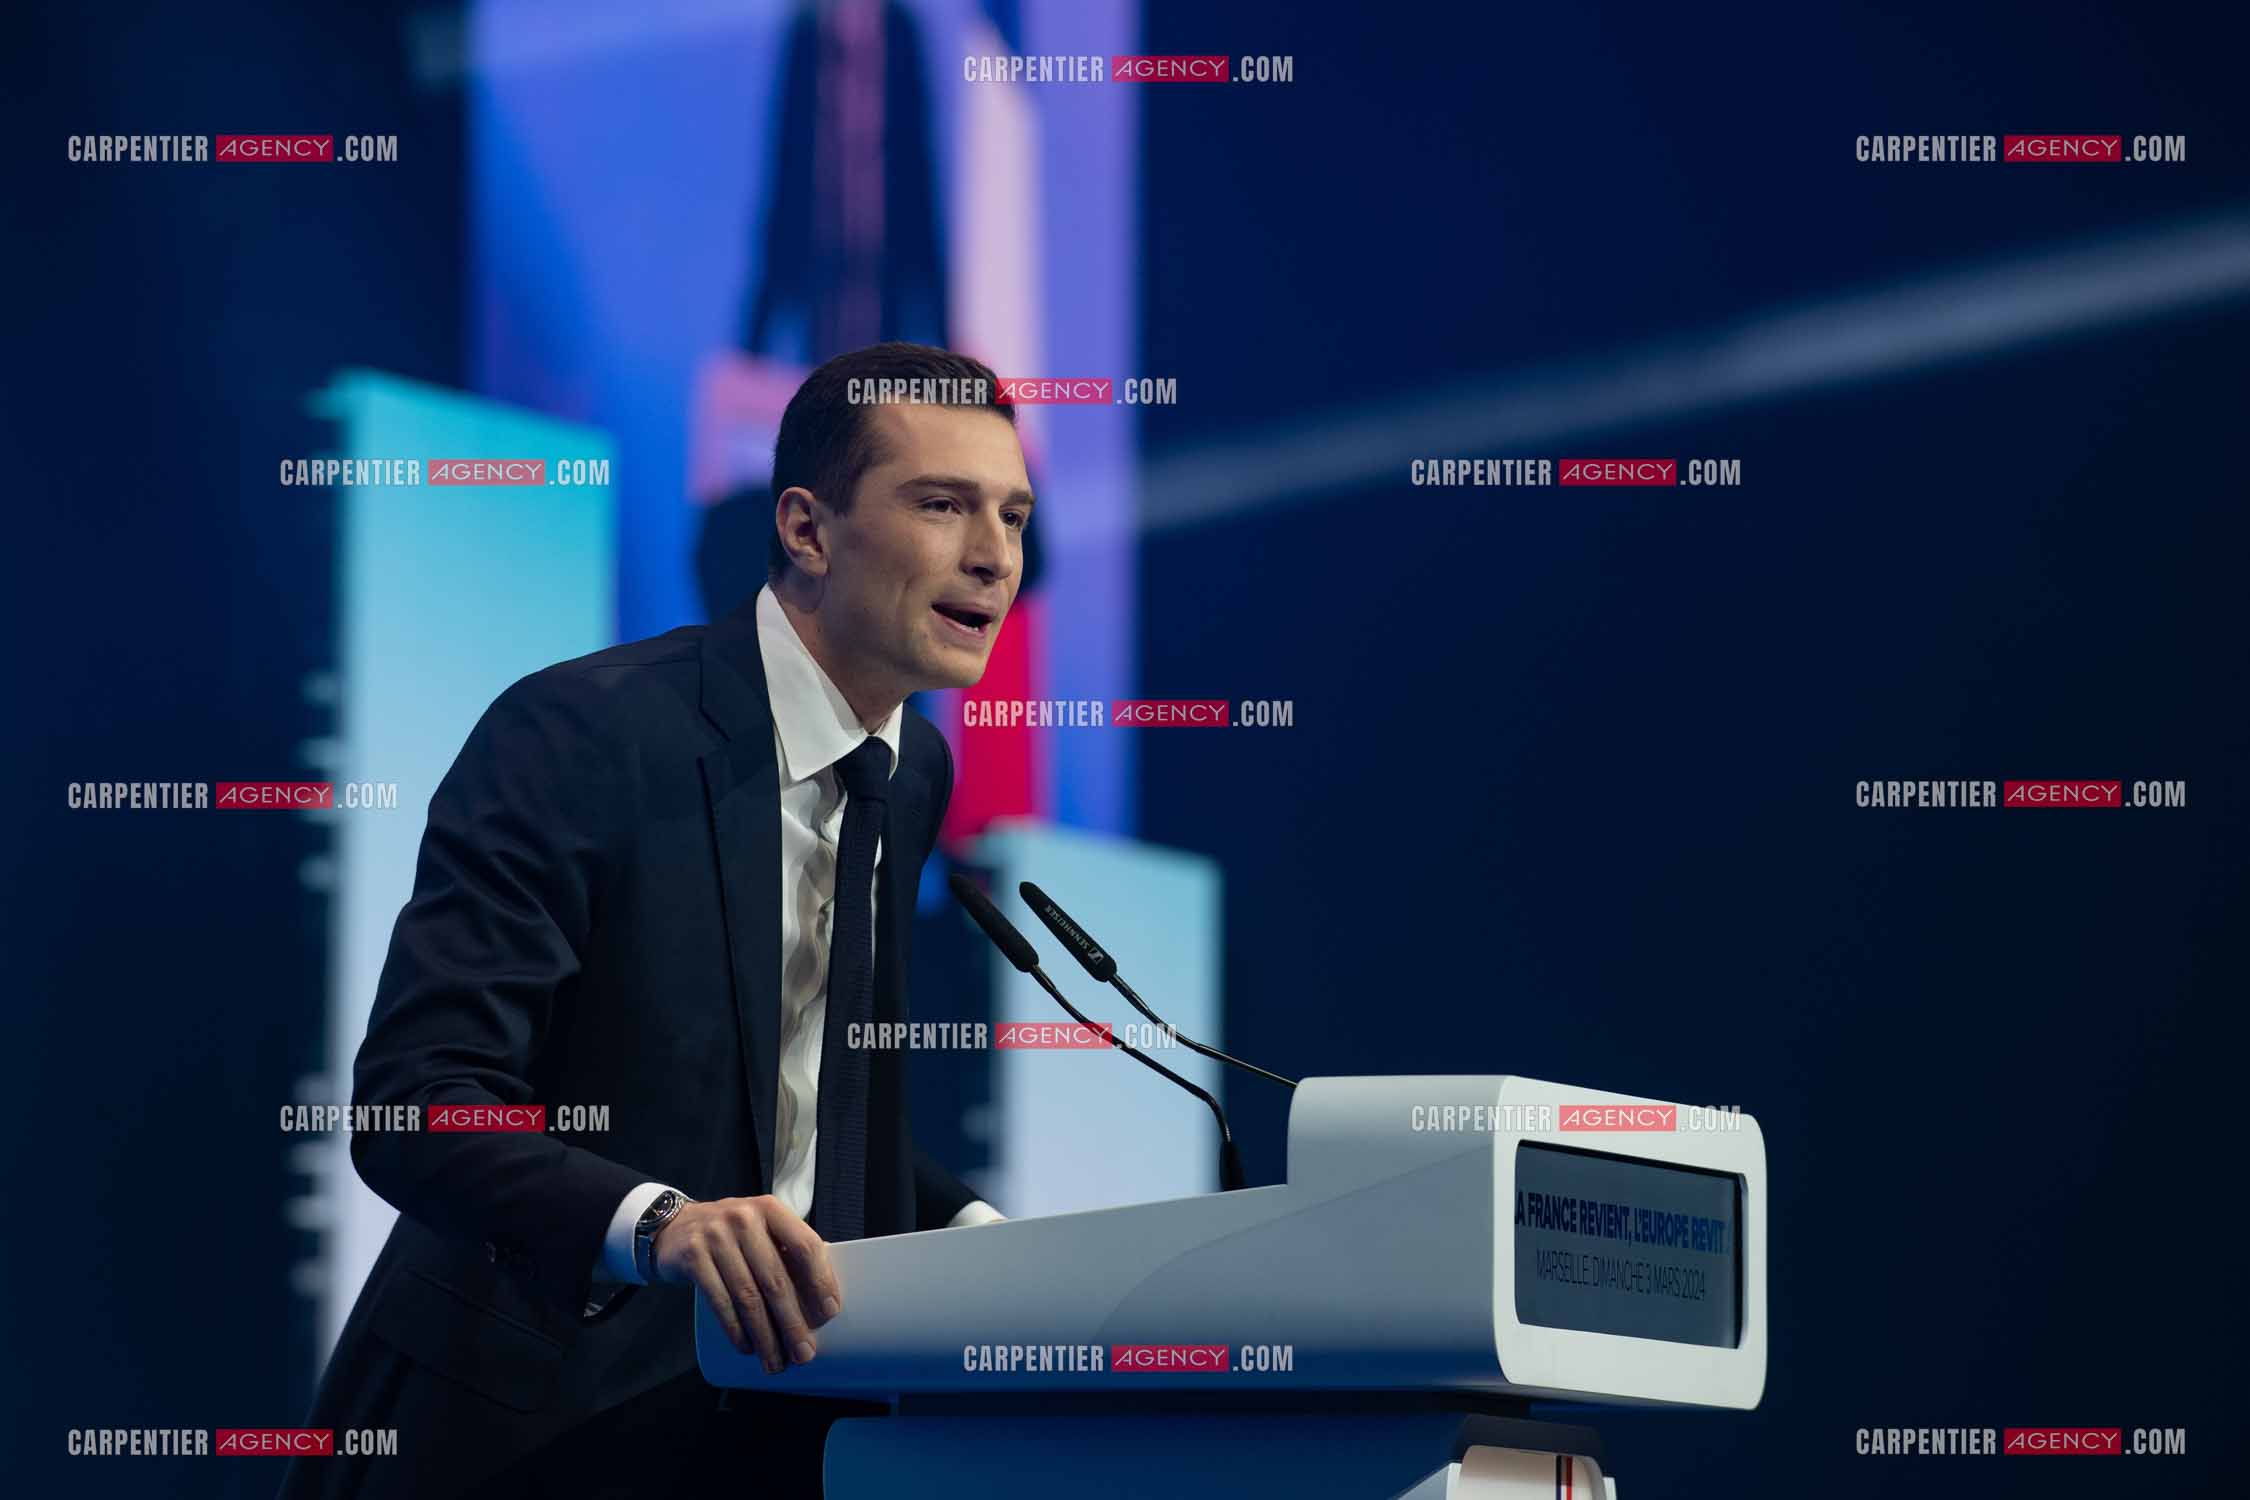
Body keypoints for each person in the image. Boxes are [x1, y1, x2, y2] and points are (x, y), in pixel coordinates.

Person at [281, 342, 1031, 1498]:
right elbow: (416, 1103)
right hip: (513, 1435)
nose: (994, 557)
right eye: (942, 505)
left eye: (1013, 516)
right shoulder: (583, 733)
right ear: (806, 529)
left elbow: (812, 1112)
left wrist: (989, 1237)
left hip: (771, 1437)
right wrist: (658, 1224)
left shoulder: (911, 770)